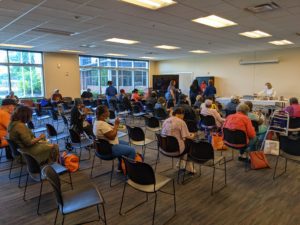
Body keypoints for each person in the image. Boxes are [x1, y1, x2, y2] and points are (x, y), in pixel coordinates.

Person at [93, 105, 136, 170]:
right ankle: (130, 171)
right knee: (132, 150)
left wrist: (115, 126)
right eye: (107, 111)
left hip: (105, 145)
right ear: (104, 114)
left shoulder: (97, 121)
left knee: (126, 144)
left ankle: (121, 166)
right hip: (109, 148)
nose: (109, 112)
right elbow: (112, 137)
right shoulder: (102, 125)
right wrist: (116, 125)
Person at [161, 107, 196, 173]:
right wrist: (193, 135)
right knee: (190, 143)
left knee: (180, 141)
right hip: (175, 150)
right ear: (181, 114)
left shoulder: (166, 120)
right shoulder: (181, 122)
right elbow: (188, 136)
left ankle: (180, 163)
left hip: (163, 148)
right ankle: (190, 168)